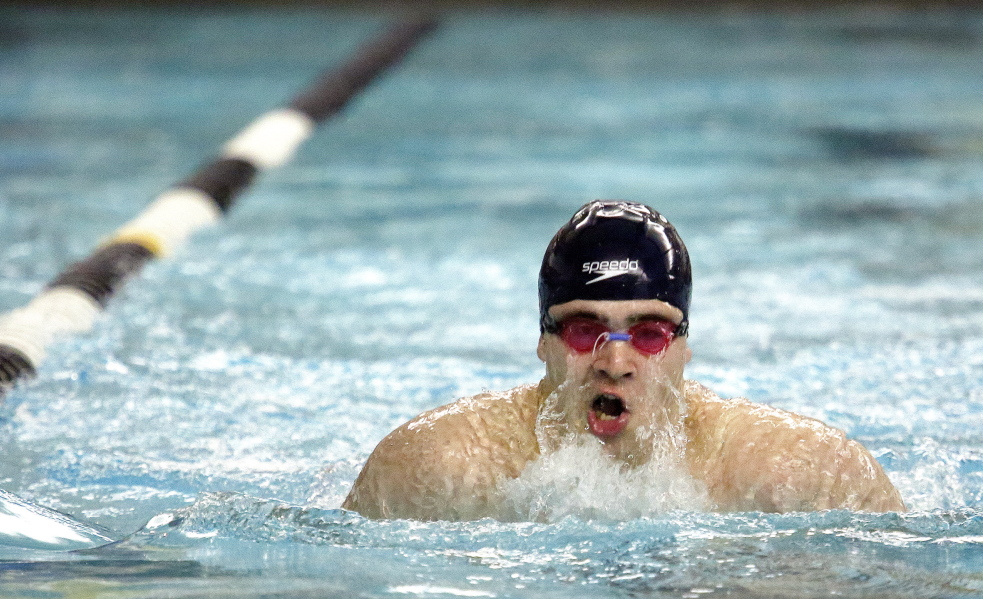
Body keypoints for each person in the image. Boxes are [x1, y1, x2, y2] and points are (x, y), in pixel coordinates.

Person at [342, 200, 905, 521]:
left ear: (683, 347)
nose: (616, 362)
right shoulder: (439, 465)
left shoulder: (802, 474)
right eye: (585, 330)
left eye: (650, 333)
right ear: (543, 341)